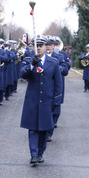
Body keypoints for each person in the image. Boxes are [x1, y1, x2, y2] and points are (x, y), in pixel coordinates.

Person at [20, 35, 62, 164]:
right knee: (33, 128)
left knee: (44, 128)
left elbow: (58, 84)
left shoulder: (53, 63)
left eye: (40, 46)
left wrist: (56, 101)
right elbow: (23, 74)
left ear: (45, 47)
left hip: (47, 100)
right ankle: (33, 154)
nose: (38, 48)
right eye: (36, 46)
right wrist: (32, 65)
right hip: (32, 99)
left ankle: (40, 152)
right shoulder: (29, 60)